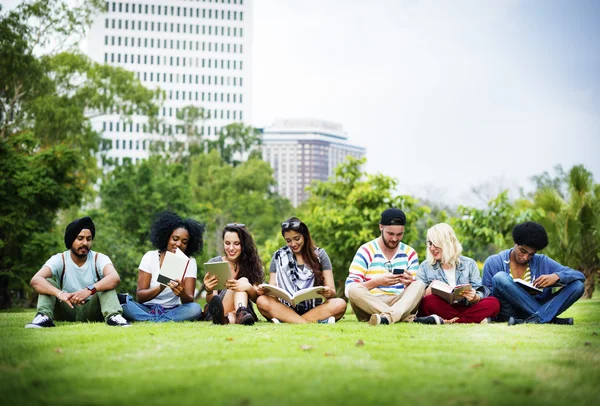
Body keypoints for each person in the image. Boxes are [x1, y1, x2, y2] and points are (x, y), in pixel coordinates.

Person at [26, 216, 130, 328]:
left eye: (88, 239)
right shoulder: (59, 259)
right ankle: (43, 317)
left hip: (92, 310)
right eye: (80, 238)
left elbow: (114, 278)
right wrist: (60, 294)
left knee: (105, 284)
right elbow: (36, 280)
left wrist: (89, 290)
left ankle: (114, 317)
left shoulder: (99, 258)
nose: (85, 243)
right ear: (71, 240)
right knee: (47, 281)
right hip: (65, 308)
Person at [482, 221, 585, 325]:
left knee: (578, 286)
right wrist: (513, 292)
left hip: (540, 306)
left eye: (531, 254)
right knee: (500, 278)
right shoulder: (493, 262)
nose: (526, 257)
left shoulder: (542, 261)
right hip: (509, 313)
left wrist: (557, 276)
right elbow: (489, 299)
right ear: (515, 242)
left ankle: (535, 318)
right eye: (523, 251)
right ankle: (548, 319)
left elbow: (579, 276)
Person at [256, 217, 347, 324]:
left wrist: (328, 292)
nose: (293, 244)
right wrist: (265, 291)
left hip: (314, 309)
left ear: (305, 236)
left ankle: (288, 321)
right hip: (285, 309)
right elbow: (273, 293)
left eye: (297, 238)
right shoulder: (278, 257)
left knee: (339, 304)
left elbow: (332, 291)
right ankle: (309, 322)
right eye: (288, 241)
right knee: (262, 301)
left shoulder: (320, 255)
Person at [345, 208, 426, 326]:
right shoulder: (366, 251)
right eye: (390, 234)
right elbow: (348, 290)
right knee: (354, 289)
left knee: (419, 284)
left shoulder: (410, 253)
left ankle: (388, 317)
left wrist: (409, 283)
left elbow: (412, 295)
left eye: (399, 234)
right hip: (370, 303)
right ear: (380, 227)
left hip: (399, 302)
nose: (394, 239)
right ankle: (403, 318)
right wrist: (376, 282)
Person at [120, 211, 204, 322]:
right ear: (166, 237)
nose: (179, 244)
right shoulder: (150, 257)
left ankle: (150, 320)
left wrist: (181, 292)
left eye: (184, 242)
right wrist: (161, 287)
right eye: (175, 239)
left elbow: (189, 300)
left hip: (173, 310)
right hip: (146, 308)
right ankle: (159, 319)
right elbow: (140, 297)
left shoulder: (190, 261)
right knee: (121, 301)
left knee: (195, 308)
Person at [416, 223, 500, 324]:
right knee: (429, 301)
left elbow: (479, 290)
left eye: (435, 243)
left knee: (494, 302)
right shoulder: (425, 266)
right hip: (441, 307)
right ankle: (471, 320)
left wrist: (475, 297)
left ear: (448, 243)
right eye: (430, 244)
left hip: (465, 308)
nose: (432, 248)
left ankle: (453, 321)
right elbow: (418, 298)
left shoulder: (469, 264)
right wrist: (429, 290)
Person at [203, 223, 263, 325]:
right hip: (220, 307)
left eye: (236, 243)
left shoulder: (251, 263)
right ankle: (240, 313)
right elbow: (212, 301)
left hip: (243, 309)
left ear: (244, 244)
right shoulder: (215, 263)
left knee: (236, 312)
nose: (231, 248)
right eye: (227, 243)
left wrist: (248, 287)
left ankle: (226, 320)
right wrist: (209, 291)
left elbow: (257, 299)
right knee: (242, 281)